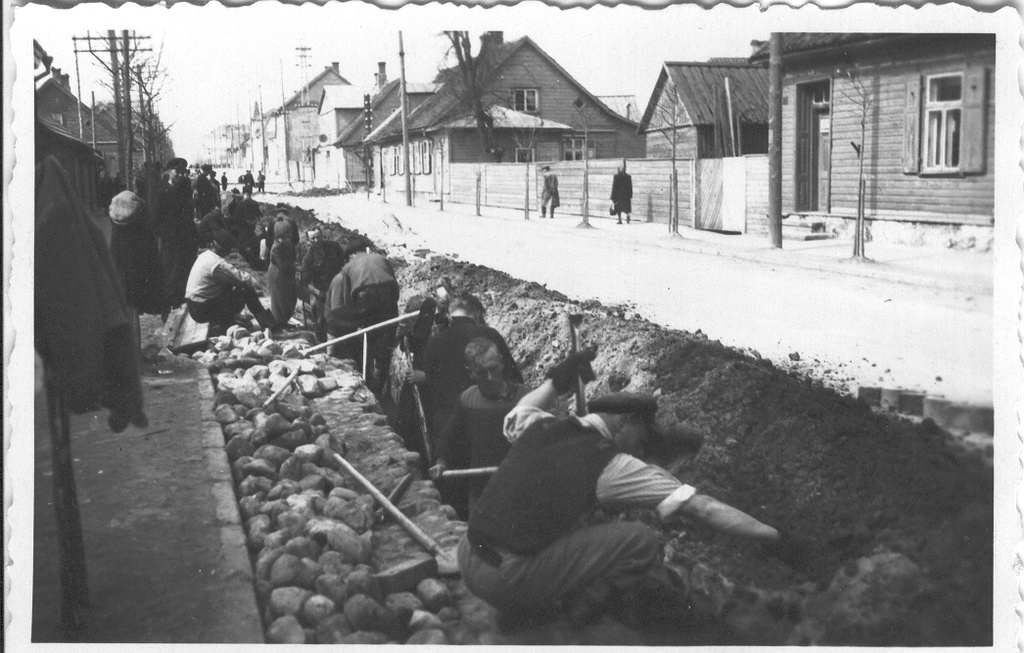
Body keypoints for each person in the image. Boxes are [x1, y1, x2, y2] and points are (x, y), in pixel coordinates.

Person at [459, 350, 812, 630]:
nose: (641, 447)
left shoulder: (542, 426)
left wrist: (556, 381)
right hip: (506, 579)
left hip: (467, 555)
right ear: (625, 423)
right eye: (642, 435)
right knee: (640, 538)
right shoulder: (611, 465)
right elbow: (701, 506)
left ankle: (531, 600)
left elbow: (521, 409)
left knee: (580, 523)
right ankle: (568, 612)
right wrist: (774, 537)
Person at [429, 337, 531, 519]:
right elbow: (451, 436)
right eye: (482, 372)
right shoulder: (468, 400)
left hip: (521, 486)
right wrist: (441, 463)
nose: (490, 377)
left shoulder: (526, 398)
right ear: (471, 373)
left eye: (493, 368)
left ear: (502, 362)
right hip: (482, 489)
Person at [409, 290, 522, 453]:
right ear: (477, 314)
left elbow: (427, 389)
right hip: (488, 421)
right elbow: (514, 378)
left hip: (448, 427)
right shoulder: (490, 335)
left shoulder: (435, 342)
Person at [324, 238, 400, 393]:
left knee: (365, 335)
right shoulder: (382, 259)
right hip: (389, 299)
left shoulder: (348, 267)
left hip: (366, 297)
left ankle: (366, 376)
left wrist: (357, 318)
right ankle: (381, 384)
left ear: (351, 255)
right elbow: (395, 289)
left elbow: (348, 299)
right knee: (385, 343)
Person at [184, 231, 274, 336]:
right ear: (225, 249)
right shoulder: (217, 264)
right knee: (246, 290)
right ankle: (268, 324)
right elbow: (241, 278)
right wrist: (259, 284)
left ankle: (229, 319)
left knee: (228, 285)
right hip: (202, 310)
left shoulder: (205, 255)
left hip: (194, 305)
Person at [108, 190, 164, 348]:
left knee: (126, 313)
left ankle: (129, 350)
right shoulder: (140, 228)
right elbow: (150, 256)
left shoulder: (117, 227)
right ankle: (133, 352)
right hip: (134, 276)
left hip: (119, 275)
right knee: (132, 317)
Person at [153, 157, 199, 317]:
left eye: (182, 172)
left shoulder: (184, 191)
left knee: (185, 273)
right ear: (168, 172)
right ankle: (168, 309)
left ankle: (181, 309)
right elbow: (155, 220)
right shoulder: (162, 192)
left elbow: (189, 216)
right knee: (171, 274)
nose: (180, 175)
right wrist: (167, 235)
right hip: (171, 242)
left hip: (187, 240)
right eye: (176, 172)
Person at [300, 228, 348, 342]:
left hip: (339, 287)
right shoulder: (308, 258)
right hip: (322, 293)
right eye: (313, 238)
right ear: (308, 240)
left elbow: (345, 263)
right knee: (322, 320)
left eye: (318, 237)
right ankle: (322, 344)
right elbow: (306, 284)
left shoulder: (334, 247)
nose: (316, 240)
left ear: (322, 236)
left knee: (344, 317)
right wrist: (320, 293)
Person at [267, 218, 298, 328]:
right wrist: (296, 268)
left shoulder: (288, 245)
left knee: (289, 298)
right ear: (277, 237)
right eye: (282, 238)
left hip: (287, 274)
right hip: (277, 274)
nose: (286, 240)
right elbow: (283, 265)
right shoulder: (276, 248)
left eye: (288, 237)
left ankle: (285, 320)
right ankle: (280, 323)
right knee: (279, 299)